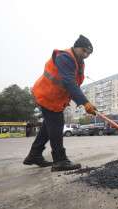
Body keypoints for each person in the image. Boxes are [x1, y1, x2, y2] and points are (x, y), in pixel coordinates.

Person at [23, 35, 97, 172]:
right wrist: (85, 103)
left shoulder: (79, 62)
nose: (86, 55)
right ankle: (60, 160)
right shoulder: (65, 57)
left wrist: (85, 103)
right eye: (84, 51)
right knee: (56, 125)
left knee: (48, 127)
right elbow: (69, 82)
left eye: (89, 53)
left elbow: (74, 85)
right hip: (47, 95)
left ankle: (34, 155)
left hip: (55, 99)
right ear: (76, 47)